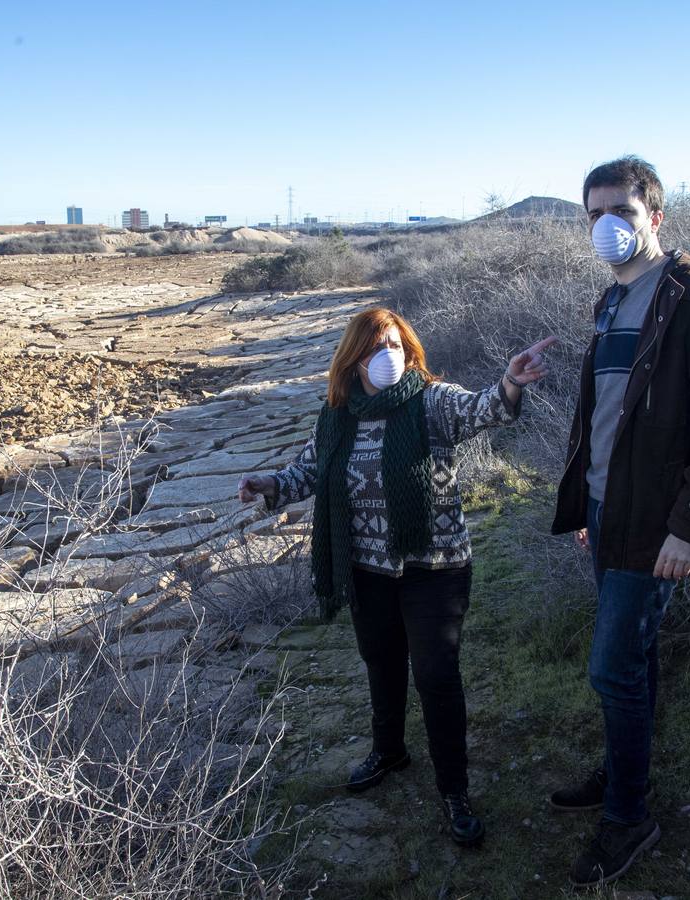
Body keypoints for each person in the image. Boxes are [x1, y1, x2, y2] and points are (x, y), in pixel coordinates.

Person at [237, 307, 556, 846]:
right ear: (353, 359)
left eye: (395, 344)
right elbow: (309, 471)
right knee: (381, 665)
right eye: (375, 346)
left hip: (435, 569)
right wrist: (268, 482)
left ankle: (454, 787)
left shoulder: (430, 401)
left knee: (435, 675)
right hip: (366, 569)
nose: (388, 355)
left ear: (409, 349)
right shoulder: (337, 415)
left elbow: (481, 411)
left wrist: (509, 383)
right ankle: (389, 751)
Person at [548, 156, 690, 887]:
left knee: (611, 668)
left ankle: (629, 814)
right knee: (633, 661)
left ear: (655, 217)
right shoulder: (612, 300)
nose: (607, 226)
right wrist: (590, 506)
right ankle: (620, 775)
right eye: (594, 214)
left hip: (659, 524)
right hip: (613, 513)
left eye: (622, 212)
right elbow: (609, 421)